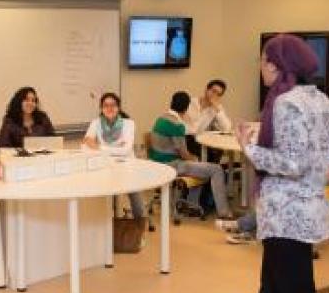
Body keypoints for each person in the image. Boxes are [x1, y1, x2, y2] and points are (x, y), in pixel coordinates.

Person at [236, 34, 329, 293]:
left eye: (264, 59)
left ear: (276, 65)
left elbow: (292, 162)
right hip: (304, 210)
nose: (261, 65)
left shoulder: (286, 102)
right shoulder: (318, 98)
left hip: (286, 216)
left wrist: (248, 147)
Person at [149, 91, 234, 219]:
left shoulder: (160, 119)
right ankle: (224, 212)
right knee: (216, 169)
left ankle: (190, 204)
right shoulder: (177, 125)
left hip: (157, 163)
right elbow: (183, 154)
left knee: (199, 166)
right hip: (172, 165)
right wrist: (195, 159)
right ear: (187, 108)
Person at [83, 92, 145, 222]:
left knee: (136, 198)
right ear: (101, 108)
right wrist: (117, 149)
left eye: (113, 105)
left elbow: (126, 150)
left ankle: (139, 228)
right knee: (103, 197)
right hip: (106, 167)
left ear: (118, 107)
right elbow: (85, 147)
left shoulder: (129, 124)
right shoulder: (96, 123)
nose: (110, 108)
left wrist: (99, 147)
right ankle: (110, 229)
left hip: (127, 166)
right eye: (106, 105)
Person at [184, 79, 232, 162]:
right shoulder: (190, 103)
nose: (215, 95)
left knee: (217, 149)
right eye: (213, 91)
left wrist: (217, 109)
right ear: (206, 89)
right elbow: (192, 129)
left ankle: (211, 172)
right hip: (186, 137)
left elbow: (227, 128)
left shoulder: (215, 108)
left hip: (199, 139)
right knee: (210, 152)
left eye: (218, 94)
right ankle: (210, 171)